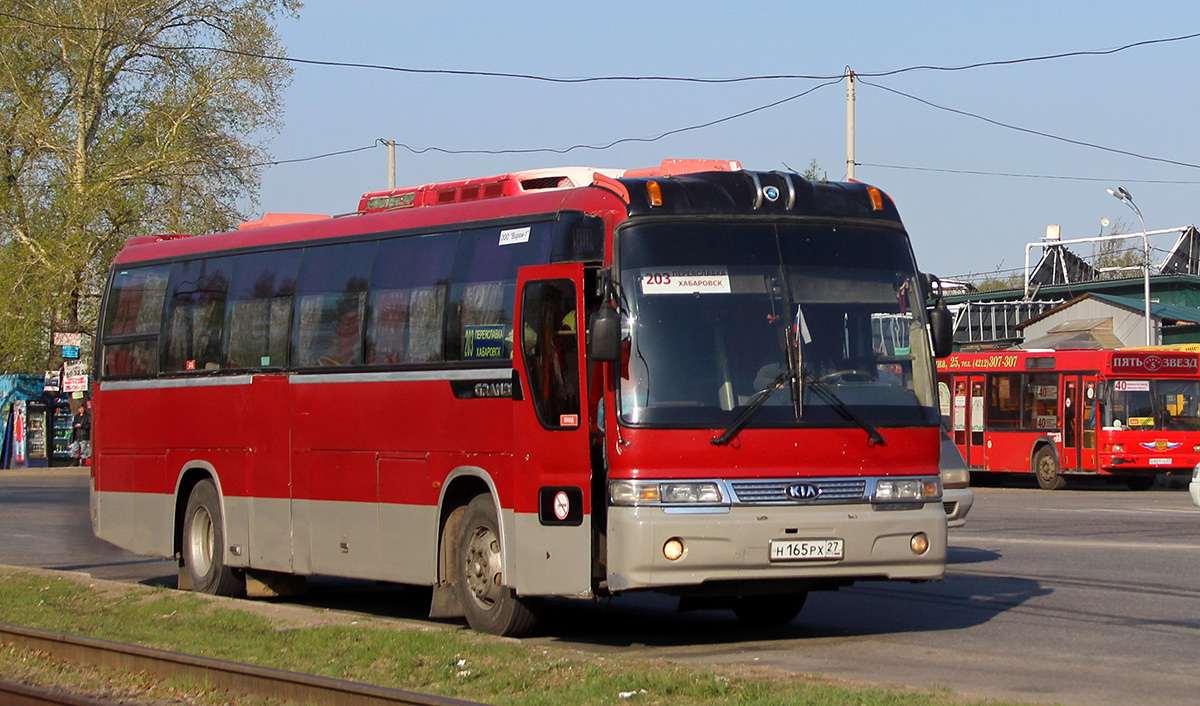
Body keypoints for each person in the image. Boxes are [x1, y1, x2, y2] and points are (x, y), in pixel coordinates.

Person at [72, 400, 91, 465]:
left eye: (82, 408)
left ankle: (83, 462)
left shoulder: (87, 416)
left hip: (83, 435)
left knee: (83, 450)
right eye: (79, 408)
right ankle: (75, 462)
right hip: (77, 435)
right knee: (75, 449)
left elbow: (89, 425)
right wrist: (75, 425)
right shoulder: (76, 416)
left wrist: (82, 425)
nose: (80, 410)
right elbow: (73, 424)